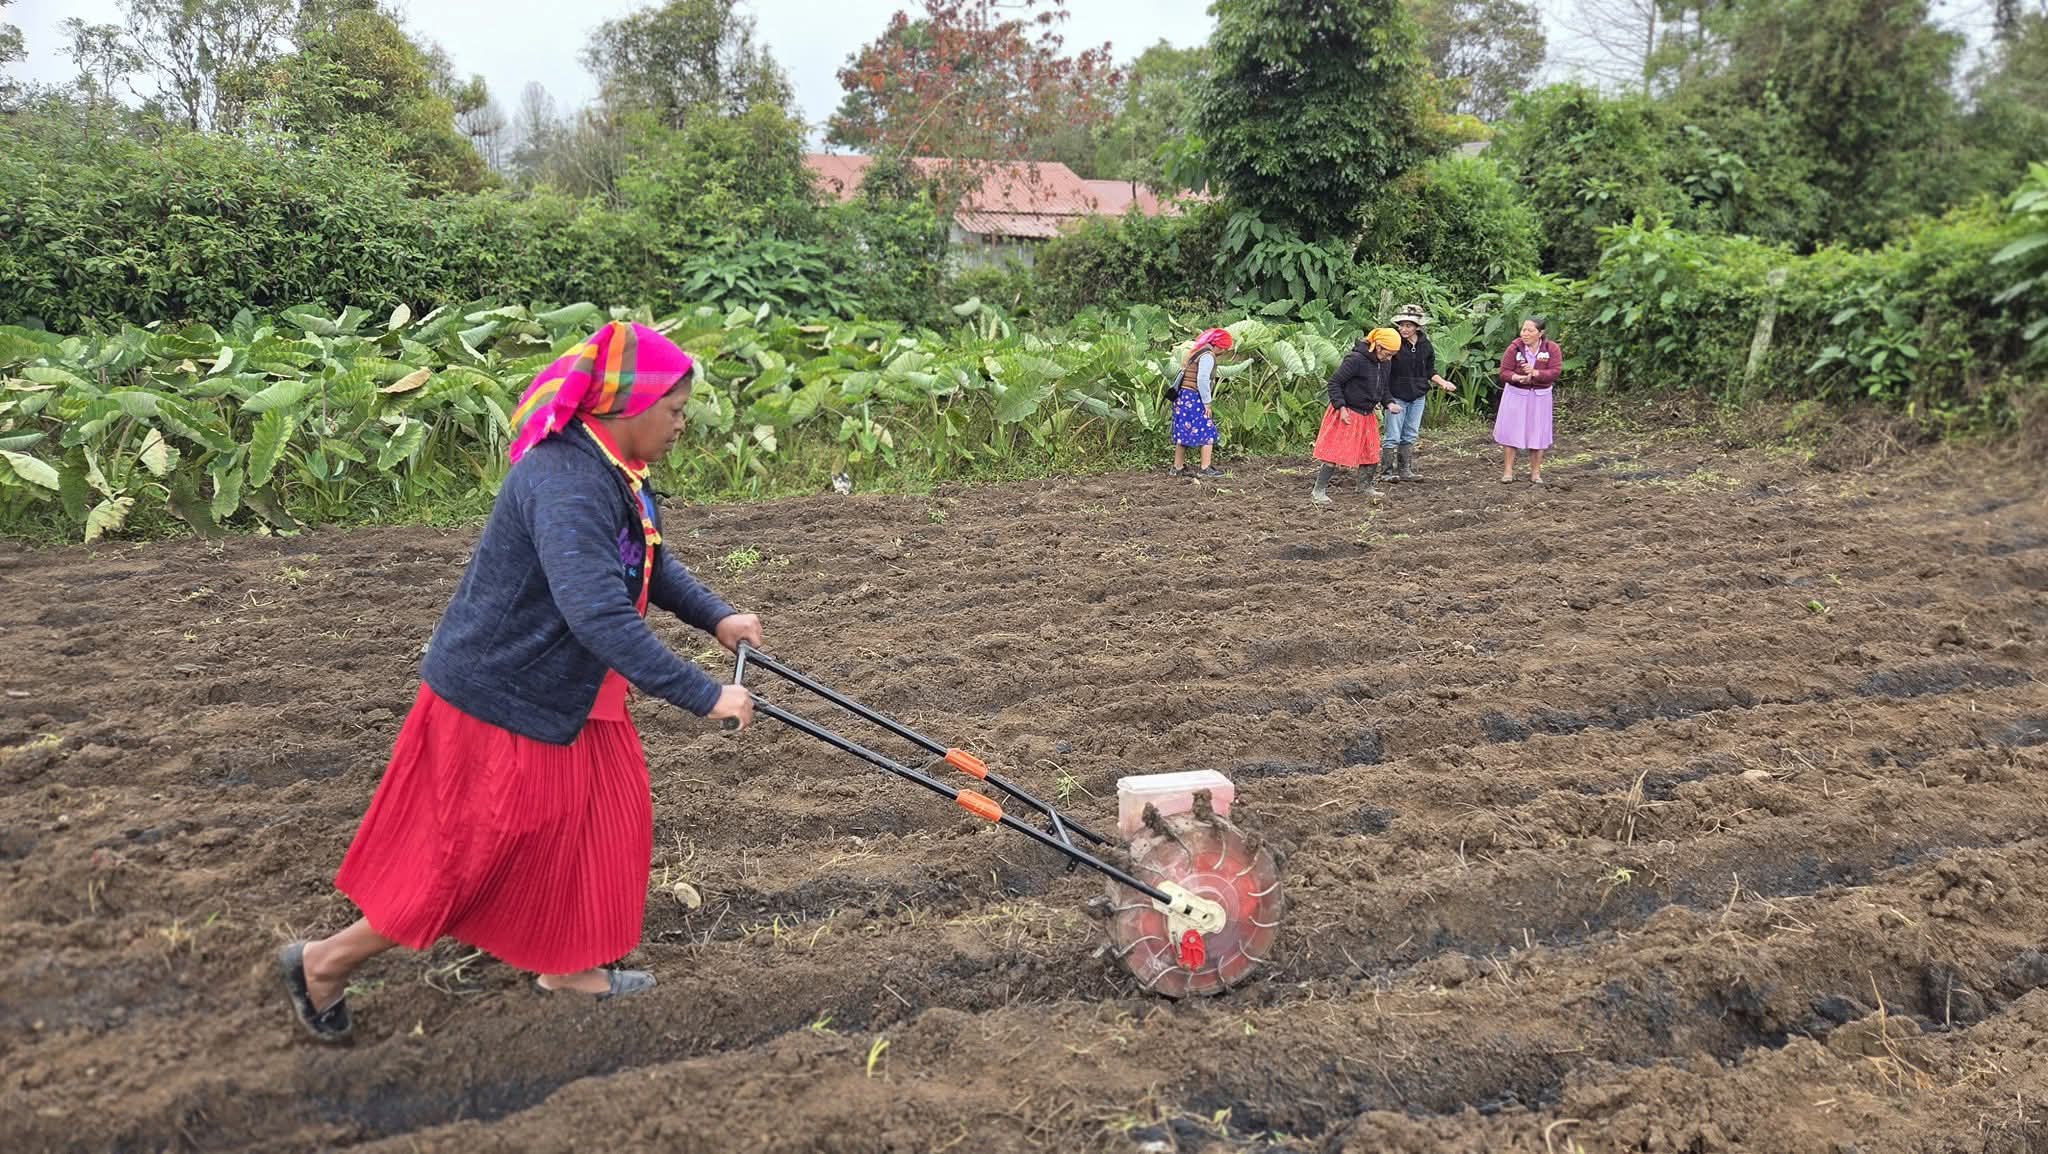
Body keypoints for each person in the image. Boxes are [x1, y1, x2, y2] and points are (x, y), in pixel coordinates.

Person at [278, 321, 760, 1044]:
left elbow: (643, 564)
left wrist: (717, 617)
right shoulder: (566, 481)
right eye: (677, 409)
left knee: (602, 826)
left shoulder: (610, 470)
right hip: (502, 697)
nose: (682, 424)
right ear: (631, 405)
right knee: (465, 861)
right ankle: (322, 962)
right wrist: (704, 693)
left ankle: (569, 967)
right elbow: (597, 612)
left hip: (567, 693)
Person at [1311, 327, 1402, 505]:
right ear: (1377, 346)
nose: (1389, 358)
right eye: (1388, 353)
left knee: (1371, 450)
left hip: (1367, 413)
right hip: (1347, 411)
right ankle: (1318, 490)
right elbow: (1334, 383)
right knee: (1334, 452)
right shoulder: (1356, 360)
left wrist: (1389, 403)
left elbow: (1382, 387)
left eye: (1393, 355)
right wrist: (1341, 407)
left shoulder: (1385, 363)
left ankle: (1364, 486)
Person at [1379, 303, 1458, 484]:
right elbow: (1384, 371)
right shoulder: (1394, 344)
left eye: (1408, 325)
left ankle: (1405, 470)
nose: (1403, 329)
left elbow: (1430, 371)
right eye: (1401, 325)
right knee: (1392, 435)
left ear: (1417, 327)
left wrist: (1443, 382)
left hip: (1418, 396)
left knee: (1410, 434)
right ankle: (1386, 472)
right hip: (1396, 395)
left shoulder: (1425, 345)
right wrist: (1386, 398)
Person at [1495, 317, 1562, 484]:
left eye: (1530, 330)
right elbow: (1504, 373)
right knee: (1511, 432)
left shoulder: (1551, 348)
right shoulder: (1514, 348)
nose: (1525, 334)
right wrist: (1517, 377)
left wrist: (1536, 373)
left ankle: (1536, 473)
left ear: (1541, 333)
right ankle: (1508, 472)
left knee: (1538, 433)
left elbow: (1555, 372)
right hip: (1516, 394)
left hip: (1540, 396)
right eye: (1523, 330)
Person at [1170, 327, 1231, 479]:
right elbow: (1202, 379)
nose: (1223, 352)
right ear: (1218, 346)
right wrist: (1207, 403)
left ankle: (1177, 468)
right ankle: (1205, 468)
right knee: (1207, 430)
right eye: (1223, 349)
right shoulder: (1207, 356)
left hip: (1182, 396)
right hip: (1193, 397)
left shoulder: (1196, 352)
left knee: (1183, 432)